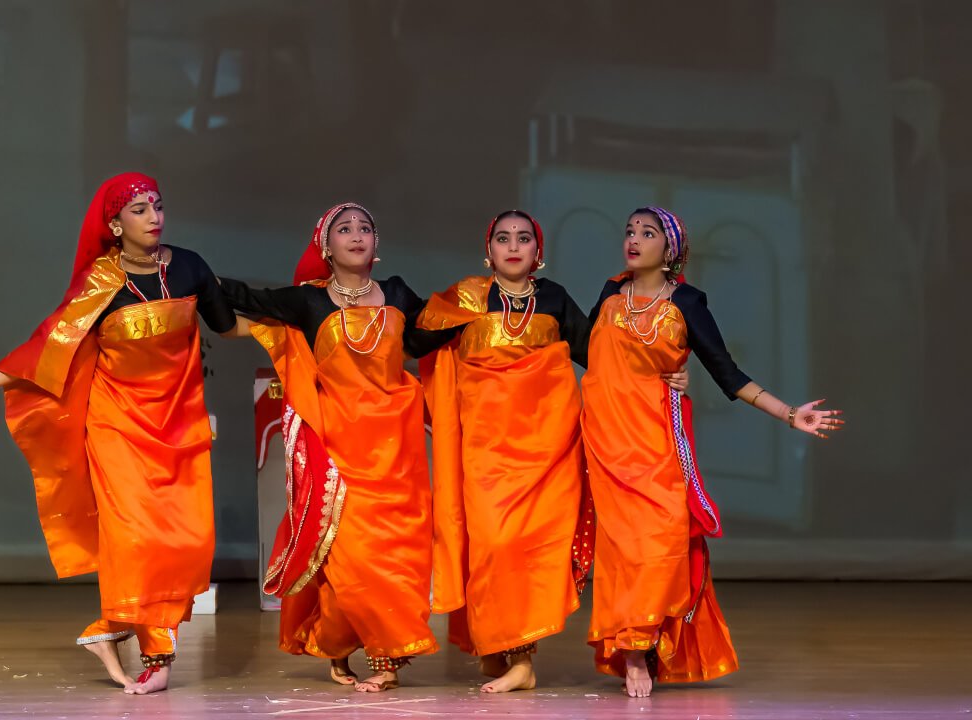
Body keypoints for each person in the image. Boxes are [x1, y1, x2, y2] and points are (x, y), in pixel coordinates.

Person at [0, 172, 238, 695]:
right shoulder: (101, 281)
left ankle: (110, 627)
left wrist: (304, 321)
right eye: (138, 210)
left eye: (157, 206)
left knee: (186, 540)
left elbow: (228, 326)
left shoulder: (189, 266)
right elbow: (46, 346)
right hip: (117, 424)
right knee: (136, 539)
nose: (153, 216)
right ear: (114, 224)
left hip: (178, 423)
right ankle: (156, 654)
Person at [417, 210, 686, 693]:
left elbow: (602, 353)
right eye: (503, 238)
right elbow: (413, 340)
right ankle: (496, 643)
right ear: (489, 250)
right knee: (492, 546)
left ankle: (522, 658)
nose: (513, 246)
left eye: (524, 238)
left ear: (539, 252)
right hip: (485, 452)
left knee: (532, 552)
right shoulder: (464, 299)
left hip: (547, 450)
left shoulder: (554, 299)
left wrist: (662, 374)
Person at [581, 206, 844, 698]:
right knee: (622, 551)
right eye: (629, 232)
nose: (634, 240)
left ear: (671, 247)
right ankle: (634, 650)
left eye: (648, 232)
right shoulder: (610, 294)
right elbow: (585, 351)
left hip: (655, 438)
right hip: (606, 438)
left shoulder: (688, 302)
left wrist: (789, 414)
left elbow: (727, 371)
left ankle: (647, 637)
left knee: (661, 543)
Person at [220, 203, 449, 692]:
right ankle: (350, 644)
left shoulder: (401, 295)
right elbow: (245, 297)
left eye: (366, 227)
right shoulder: (309, 302)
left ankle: (384, 654)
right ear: (326, 246)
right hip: (338, 445)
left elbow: (436, 338)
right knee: (346, 554)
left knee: (395, 554)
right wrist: (192, 278)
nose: (357, 235)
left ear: (377, 244)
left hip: (395, 449)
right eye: (344, 229)